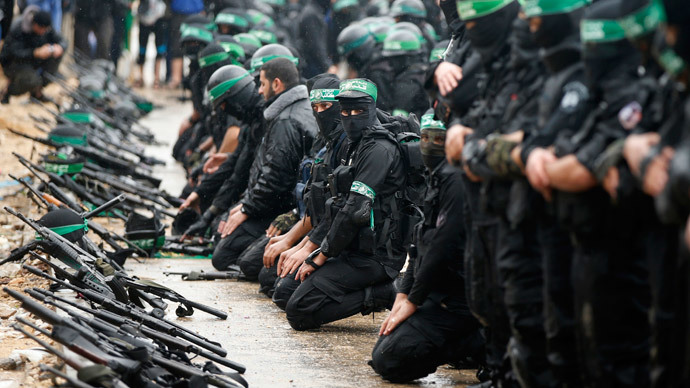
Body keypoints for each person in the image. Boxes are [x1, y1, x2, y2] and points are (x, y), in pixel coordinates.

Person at [280, 79, 407, 331]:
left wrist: (320, 256)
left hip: (376, 256)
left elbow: (354, 211)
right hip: (350, 248)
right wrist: (310, 248)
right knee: (284, 292)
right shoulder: (350, 145)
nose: (350, 117)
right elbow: (336, 206)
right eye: (345, 111)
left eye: (358, 111)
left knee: (299, 313)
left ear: (371, 108)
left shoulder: (379, 149)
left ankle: (381, 293)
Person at [370, 114, 484, 383]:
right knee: (382, 352)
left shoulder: (456, 180)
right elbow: (420, 241)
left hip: (458, 298)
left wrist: (413, 300)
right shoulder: (438, 175)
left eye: (439, 139)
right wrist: (403, 293)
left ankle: (480, 343)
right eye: (424, 137)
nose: (429, 145)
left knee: (393, 360)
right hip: (436, 292)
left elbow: (442, 245)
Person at [211, 58, 317, 271]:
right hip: (286, 203)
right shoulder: (292, 109)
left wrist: (247, 208)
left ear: (276, 84)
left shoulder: (285, 120)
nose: (259, 91)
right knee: (220, 230)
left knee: (230, 259)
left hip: (285, 208)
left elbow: (276, 178)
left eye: (262, 84)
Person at [0, 9, 66, 104]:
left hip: (33, 61)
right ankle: (8, 91)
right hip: (14, 64)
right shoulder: (19, 27)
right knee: (32, 81)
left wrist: (59, 47)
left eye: (45, 29)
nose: (44, 32)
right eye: (42, 29)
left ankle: (37, 92)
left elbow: (63, 41)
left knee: (55, 58)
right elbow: (13, 53)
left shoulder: (47, 28)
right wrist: (34, 53)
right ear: (35, 24)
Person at [136, 0, 169, 88]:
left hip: (159, 18)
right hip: (144, 17)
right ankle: (141, 77)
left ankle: (156, 79)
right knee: (142, 49)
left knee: (160, 48)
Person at [296, 0, 333, 78]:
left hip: (311, 62)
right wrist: (327, 65)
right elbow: (315, 44)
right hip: (311, 64)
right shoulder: (312, 14)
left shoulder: (314, 11)